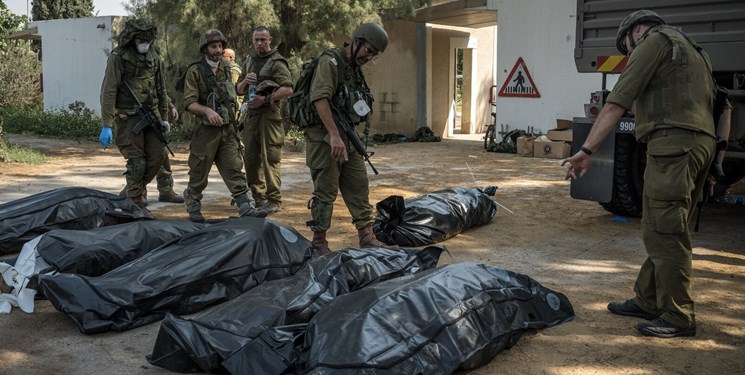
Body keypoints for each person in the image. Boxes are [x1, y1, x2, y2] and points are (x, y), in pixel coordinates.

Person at [562, 10, 716, 338]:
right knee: (660, 225)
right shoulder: (694, 50)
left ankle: (678, 315)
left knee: (666, 230)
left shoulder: (654, 42)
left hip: (673, 144)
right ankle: (648, 298)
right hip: (698, 143)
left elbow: (617, 102)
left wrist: (586, 151)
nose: (629, 54)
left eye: (627, 48)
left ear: (636, 31)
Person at [304, 23, 398, 254]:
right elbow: (320, 98)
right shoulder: (331, 62)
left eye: (374, 55)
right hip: (325, 135)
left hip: (346, 134)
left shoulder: (352, 68)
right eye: (369, 51)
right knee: (325, 189)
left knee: (358, 184)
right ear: (357, 41)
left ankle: (367, 236)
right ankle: (319, 242)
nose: (369, 57)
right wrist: (334, 135)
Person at [181, 29, 267, 222]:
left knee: (235, 169)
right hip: (205, 132)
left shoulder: (227, 68)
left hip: (227, 130)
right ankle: (193, 204)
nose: (218, 50)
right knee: (199, 171)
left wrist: (244, 83)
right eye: (213, 46)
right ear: (205, 49)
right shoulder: (195, 71)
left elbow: (234, 91)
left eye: (220, 46)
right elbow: (189, 102)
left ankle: (246, 208)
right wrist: (207, 111)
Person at [99, 19, 171, 211]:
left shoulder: (155, 55)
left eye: (148, 39)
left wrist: (164, 117)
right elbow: (109, 90)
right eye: (141, 39)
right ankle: (135, 201)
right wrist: (106, 123)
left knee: (157, 157)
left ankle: (133, 189)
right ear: (132, 38)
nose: (144, 43)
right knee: (137, 162)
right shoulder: (118, 57)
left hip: (151, 115)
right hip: (127, 117)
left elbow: (161, 88)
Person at [235, 26, 293, 214]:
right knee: (251, 158)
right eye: (256, 40)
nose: (259, 43)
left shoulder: (276, 62)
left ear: (270, 40)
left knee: (270, 158)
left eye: (263, 39)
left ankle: (274, 200)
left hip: (269, 116)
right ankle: (258, 197)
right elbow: (238, 89)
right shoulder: (250, 60)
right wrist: (245, 82)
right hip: (251, 117)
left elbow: (287, 89)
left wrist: (265, 99)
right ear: (253, 41)